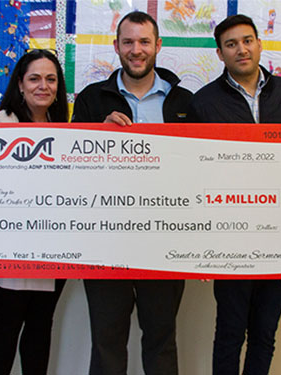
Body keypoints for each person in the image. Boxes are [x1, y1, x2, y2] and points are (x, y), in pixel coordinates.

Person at [189, 14, 281, 375]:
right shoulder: (204, 104)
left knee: (265, 333)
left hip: (279, 236)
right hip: (230, 238)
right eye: (231, 44)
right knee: (229, 333)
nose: (241, 49)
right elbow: (196, 178)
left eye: (247, 40)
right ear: (220, 53)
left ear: (259, 44)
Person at [71, 11, 192, 375]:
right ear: (116, 47)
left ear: (158, 45)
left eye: (144, 42)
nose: (136, 50)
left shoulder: (185, 102)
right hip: (106, 242)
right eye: (128, 42)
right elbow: (72, 171)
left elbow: (199, 173)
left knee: (161, 340)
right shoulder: (92, 100)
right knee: (107, 342)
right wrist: (97, 134)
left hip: (166, 242)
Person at [0, 49, 69, 375]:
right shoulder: (2, 125)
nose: (43, 86)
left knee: (41, 325)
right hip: (9, 243)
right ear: (19, 84)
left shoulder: (64, 130)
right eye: (34, 78)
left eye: (50, 79)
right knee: (7, 324)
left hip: (53, 246)